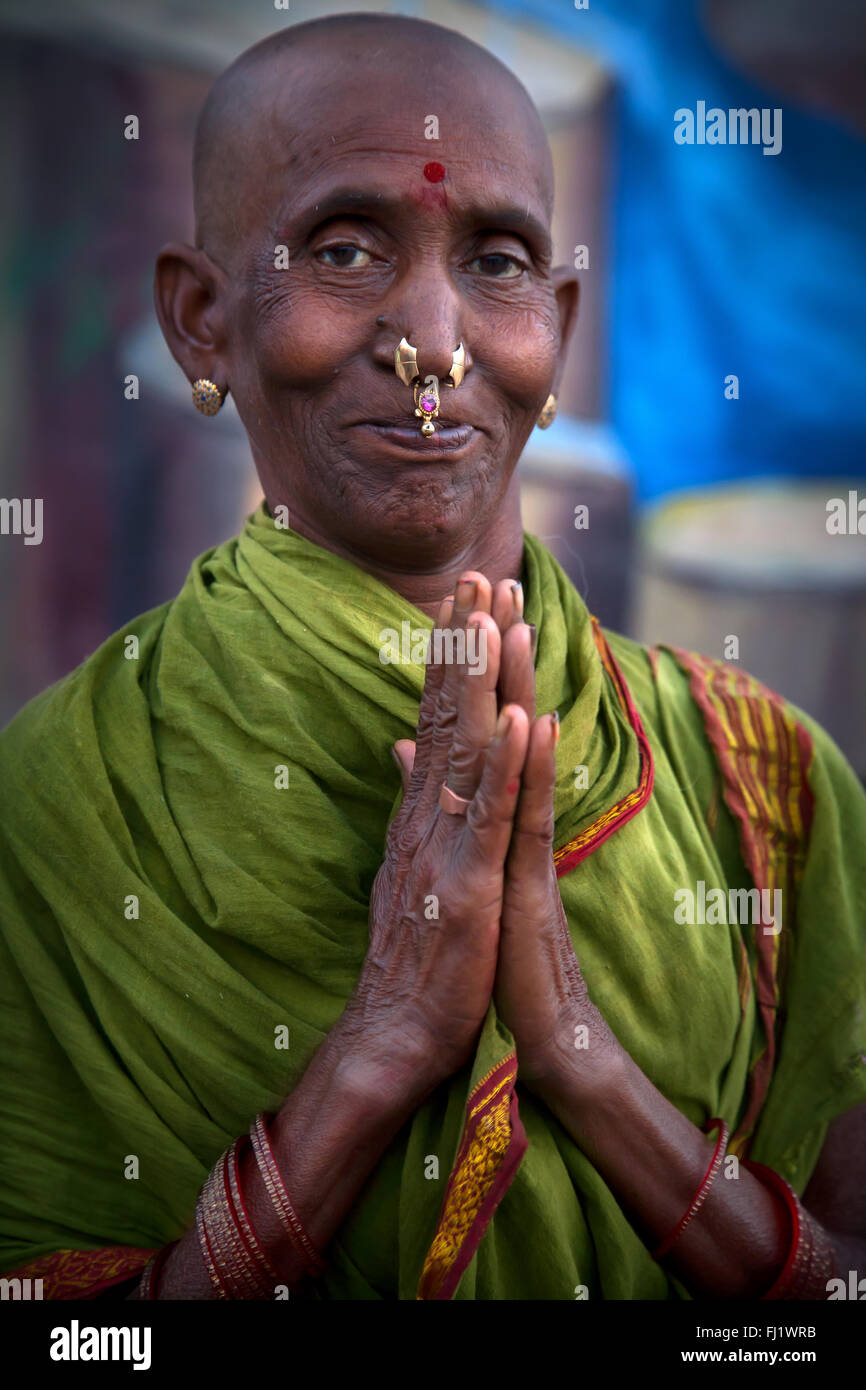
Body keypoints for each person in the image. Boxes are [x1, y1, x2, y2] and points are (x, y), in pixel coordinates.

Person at [1, 13, 864, 1302]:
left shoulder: (764, 780)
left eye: (498, 261)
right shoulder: (61, 800)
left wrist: (583, 1057)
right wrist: (378, 1051)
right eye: (344, 249)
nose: (436, 343)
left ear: (558, 332)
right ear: (200, 321)